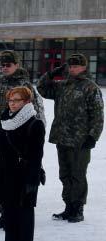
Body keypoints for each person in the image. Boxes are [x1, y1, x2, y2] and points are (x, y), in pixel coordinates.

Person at [0, 50, 45, 229]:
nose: (5, 68)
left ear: (16, 65)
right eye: (2, 65)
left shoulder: (25, 86)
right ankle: (4, 211)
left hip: (19, 140)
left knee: (16, 178)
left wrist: (36, 138)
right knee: (0, 175)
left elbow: (38, 113)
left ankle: (14, 214)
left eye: (8, 65)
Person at [37, 53, 103, 222]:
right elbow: (42, 88)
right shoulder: (63, 85)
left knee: (78, 175)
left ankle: (78, 208)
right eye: (70, 66)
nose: (72, 69)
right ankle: (68, 207)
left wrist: (93, 136)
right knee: (64, 174)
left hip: (80, 140)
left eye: (76, 66)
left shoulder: (91, 87)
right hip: (62, 137)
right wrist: (51, 73)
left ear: (84, 67)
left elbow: (97, 115)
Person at [0, 86, 45, 241]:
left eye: (17, 101)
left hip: (25, 175)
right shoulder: (5, 121)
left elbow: (37, 156)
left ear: (26, 102)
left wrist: (32, 180)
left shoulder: (34, 124)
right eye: (10, 101)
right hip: (6, 175)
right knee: (9, 215)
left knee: (24, 216)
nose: (12, 104)